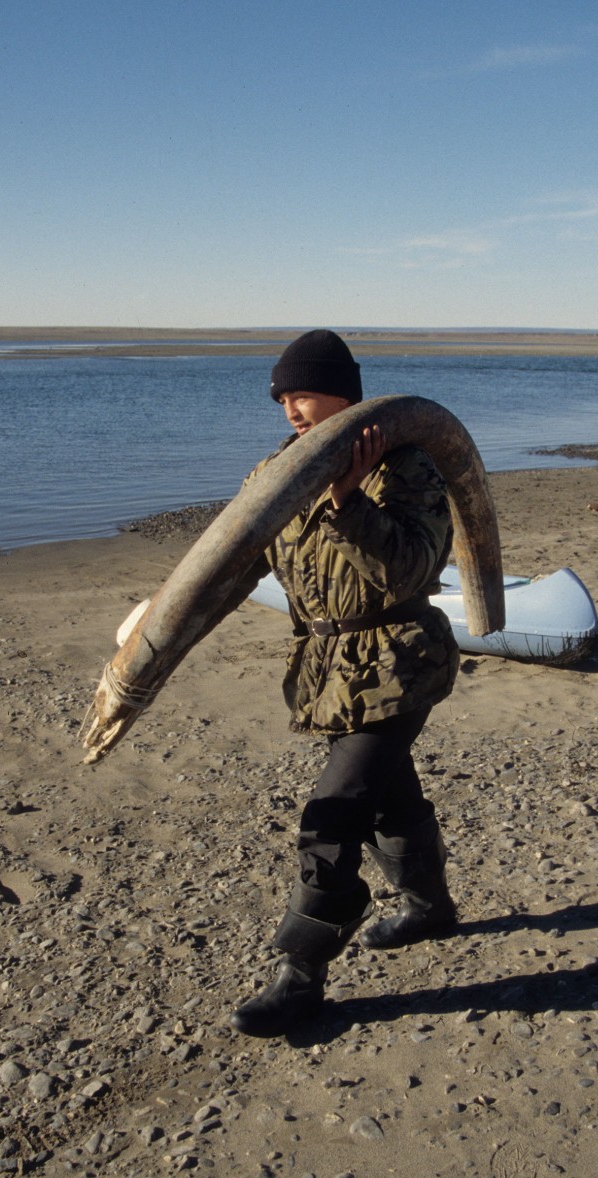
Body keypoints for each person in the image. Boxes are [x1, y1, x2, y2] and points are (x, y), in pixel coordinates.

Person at [229, 329, 460, 1038]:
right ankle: (429, 909)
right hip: (327, 671)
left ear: (346, 395)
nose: (291, 409)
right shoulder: (277, 470)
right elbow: (240, 558)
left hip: (399, 662)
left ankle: (300, 978)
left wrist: (346, 498)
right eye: (282, 398)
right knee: (390, 795)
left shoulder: (407, 467)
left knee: (334, 811)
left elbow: (409, 574)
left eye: (303, 393)